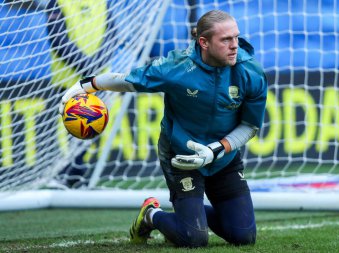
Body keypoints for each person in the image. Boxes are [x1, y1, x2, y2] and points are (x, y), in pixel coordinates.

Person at [60, 10, 268, 247]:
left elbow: (250, 126)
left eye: (236, 37)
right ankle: (151, 214)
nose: (235, 46)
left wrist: (216, 150)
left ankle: (193, 213)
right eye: (226, 40)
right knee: (194, 240)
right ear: (203, 42)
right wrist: (86, 85)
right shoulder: (176, 67)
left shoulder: (250, 71)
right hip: (181, 156)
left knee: (244, 237)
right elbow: (129, 80)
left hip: (222, 157)